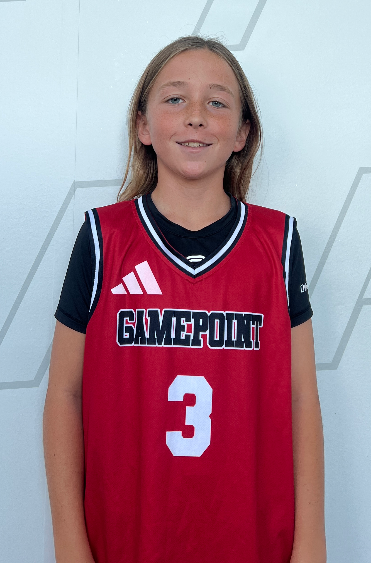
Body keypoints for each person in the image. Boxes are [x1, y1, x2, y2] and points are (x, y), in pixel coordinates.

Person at [43, 35, 326, 563]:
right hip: (127, 540)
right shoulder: (104, 239)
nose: (196, 116)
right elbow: (64, 393)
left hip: (251, 539)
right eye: (175, 98)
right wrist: (69, 545)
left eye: (217, 102)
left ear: (242, 133)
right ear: (143, 126)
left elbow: (301, 398)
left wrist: (311, 543)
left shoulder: (278, 242)